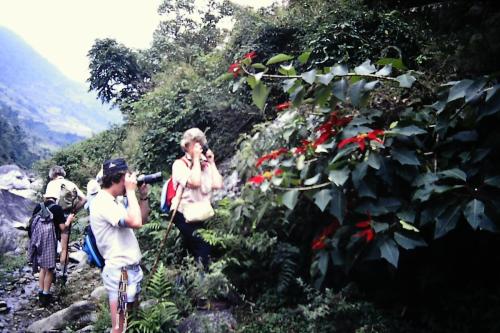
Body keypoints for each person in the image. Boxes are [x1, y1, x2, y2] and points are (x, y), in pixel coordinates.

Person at [89, 158, 150, 333]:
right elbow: (135, 222)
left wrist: (143, 196)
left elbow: (142, 219)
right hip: (120, 274)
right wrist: (131, 192)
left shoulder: (114, 201)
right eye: (127, 177)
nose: (129, 182)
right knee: (119, 327)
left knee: (131, 320)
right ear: (118, 178)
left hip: (130, 270)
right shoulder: (103, 202)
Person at [171, 128, 223, 268]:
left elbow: (217, 184)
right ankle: (203, 284)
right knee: (202, 245)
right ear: (186, 146)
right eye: (195, 144)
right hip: (183, 213)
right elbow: (195, 183)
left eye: (200, 143)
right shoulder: (179, 165)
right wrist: (195, 159)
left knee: (196, 248)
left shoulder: (205, 164)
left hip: (201, 212)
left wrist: (211, 163)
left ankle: (186, 280)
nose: (198, 147)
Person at [28, 181, 75, 306]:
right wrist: (69, 220)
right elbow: (62, 228)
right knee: (49, 268)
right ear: (56, 198)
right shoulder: (57, 208)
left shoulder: (38, 206)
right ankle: (45, 295)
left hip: (37, 240)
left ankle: (40, 291)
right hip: (49, 240)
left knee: (42, 268)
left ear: (45, 196)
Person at [47, 165, 87, 272]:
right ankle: (64, 273)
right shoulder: (71, 184)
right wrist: (73, 211)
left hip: (52, 217)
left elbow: (47, 202)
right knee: (64, 248)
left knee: (52, 245)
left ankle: (52, 271)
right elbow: (83, 199)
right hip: (66, 217)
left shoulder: (51, 184)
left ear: (53, 174)